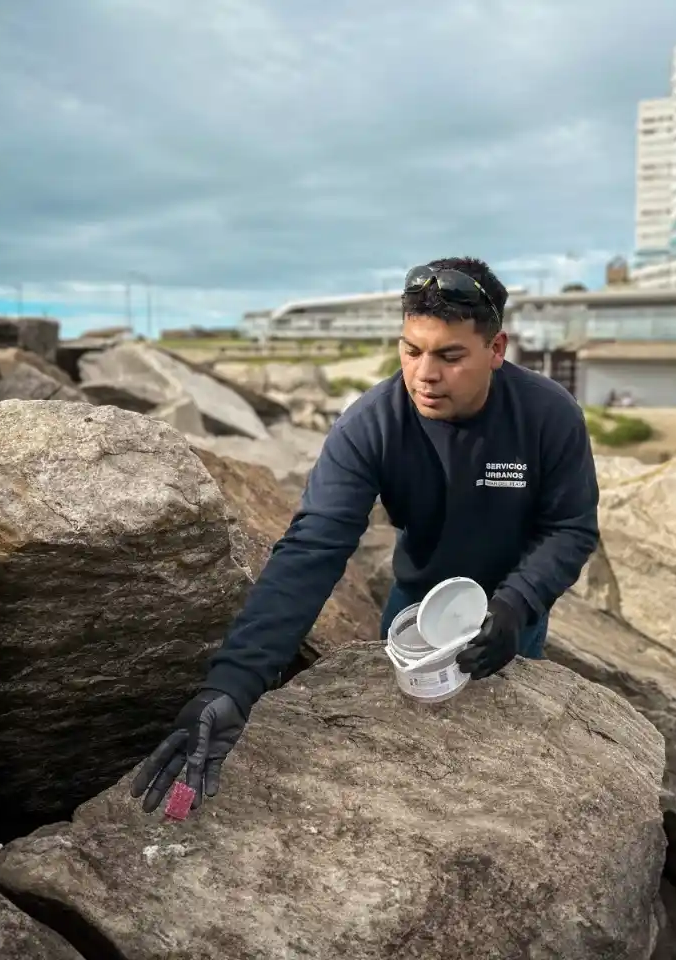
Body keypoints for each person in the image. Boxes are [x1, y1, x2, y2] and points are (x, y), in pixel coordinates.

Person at [130, 256, 601, 815]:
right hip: (414, 611)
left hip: (510, 616)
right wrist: (231, 685)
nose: (425, 374)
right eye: (411, 349)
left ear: (495, 349)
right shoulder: (371, 425)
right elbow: (311, 550)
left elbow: (570, 527)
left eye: (450, 356)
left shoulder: (549, 414)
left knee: (502, 785)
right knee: (412, 776)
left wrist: (519, 604)